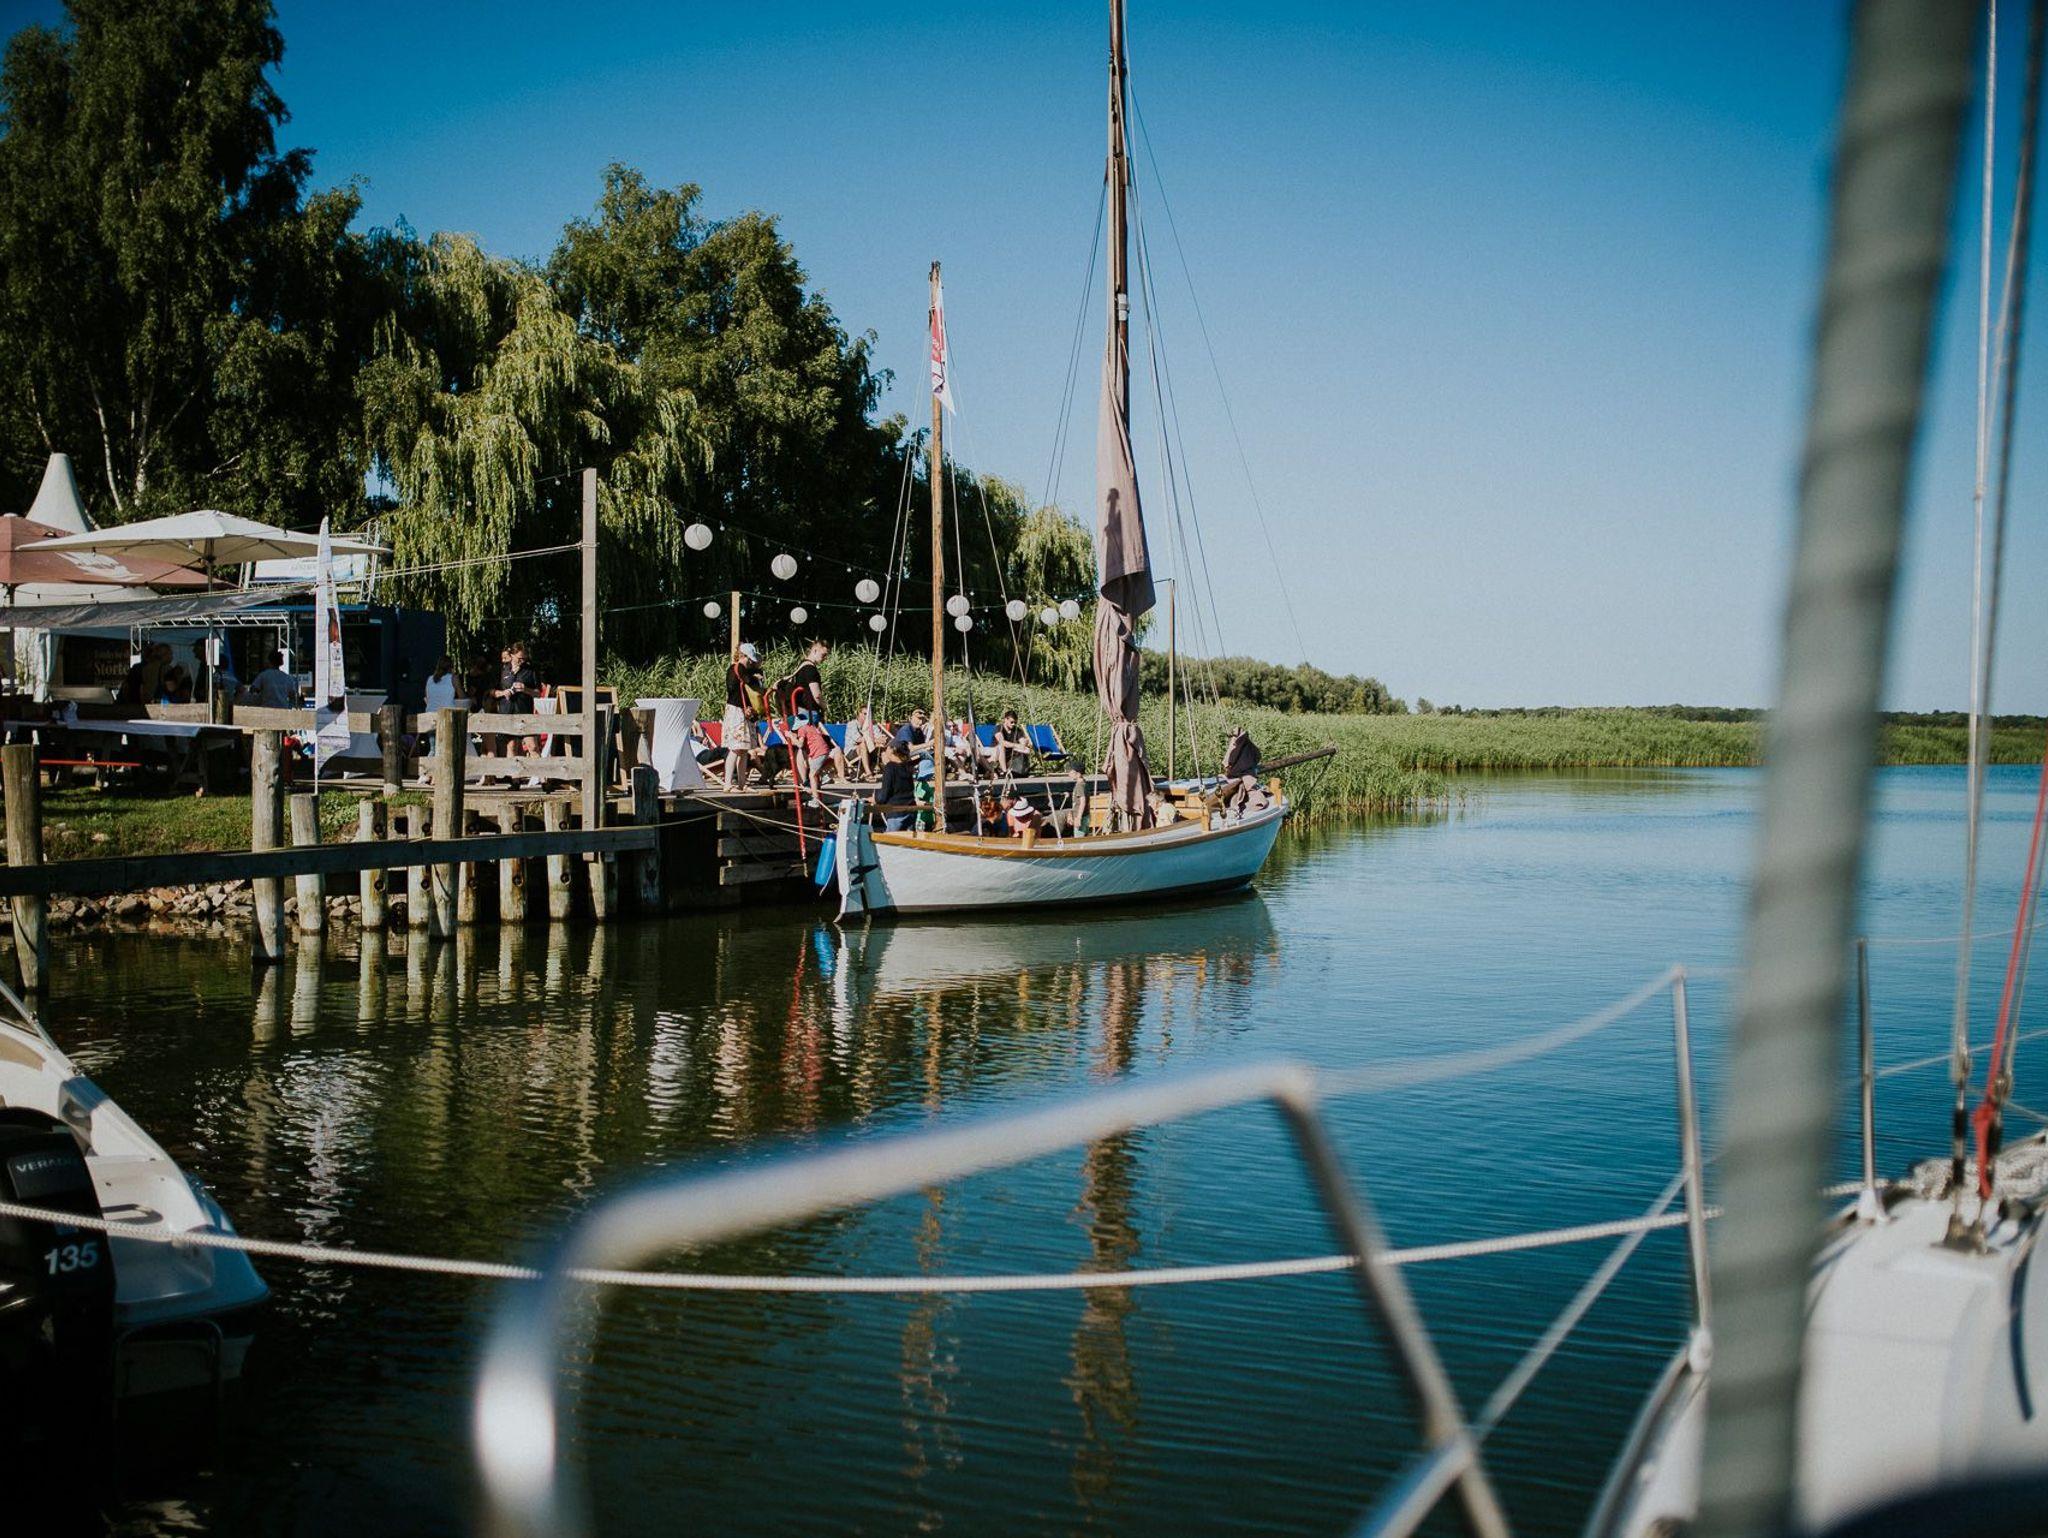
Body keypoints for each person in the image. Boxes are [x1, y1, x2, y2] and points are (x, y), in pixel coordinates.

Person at [723, 641, 766, 791]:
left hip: (742, 711)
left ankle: (742, 783)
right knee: (736, 748)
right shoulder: (738, 669)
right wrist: (756, 678)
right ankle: (728, 784)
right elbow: (743, 684)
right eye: (749, 659)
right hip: (737, 711)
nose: (750, 662)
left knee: (743, 749)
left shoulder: (742, 670)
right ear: (744, 656)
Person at [791, 716, 848, 806]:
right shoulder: (811, 727)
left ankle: (816, 800)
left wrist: (790, 736)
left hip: (819, 753)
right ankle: (826, 777)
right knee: (814, 769)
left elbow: (800, 744)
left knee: (812, 775)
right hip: (825, 751)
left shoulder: (802, 729)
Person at [785, 639, 829, 723]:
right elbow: (817, 695)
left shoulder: (802, 665)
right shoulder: (810, 669)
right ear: (815, 651)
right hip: (809, 713)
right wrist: (825, 707)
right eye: (823, 655)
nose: (825, 658)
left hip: (799, 710)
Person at [876, 741, 915, 831]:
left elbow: (883, 795)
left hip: (896, 812)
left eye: (887, 748)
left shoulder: (890, 767)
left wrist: (875, 798)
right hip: (911, 810)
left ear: (892, 750)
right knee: (908, 839)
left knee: (891, 839)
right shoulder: (907, 766)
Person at [993, 709, 1032, 775]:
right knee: (1001, 747)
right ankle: (1004, 771)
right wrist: (1017, 745)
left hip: (1012, 753)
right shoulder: (999, 728)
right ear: (1006, 719)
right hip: (997, 752)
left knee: (1026, 749)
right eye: (1011, 722)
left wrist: (1025, 743)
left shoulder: (1017, 730)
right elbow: (1002, 742)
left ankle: (1022, 770)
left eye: (1015, 722)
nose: (1013, 724)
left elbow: (1022, 742)